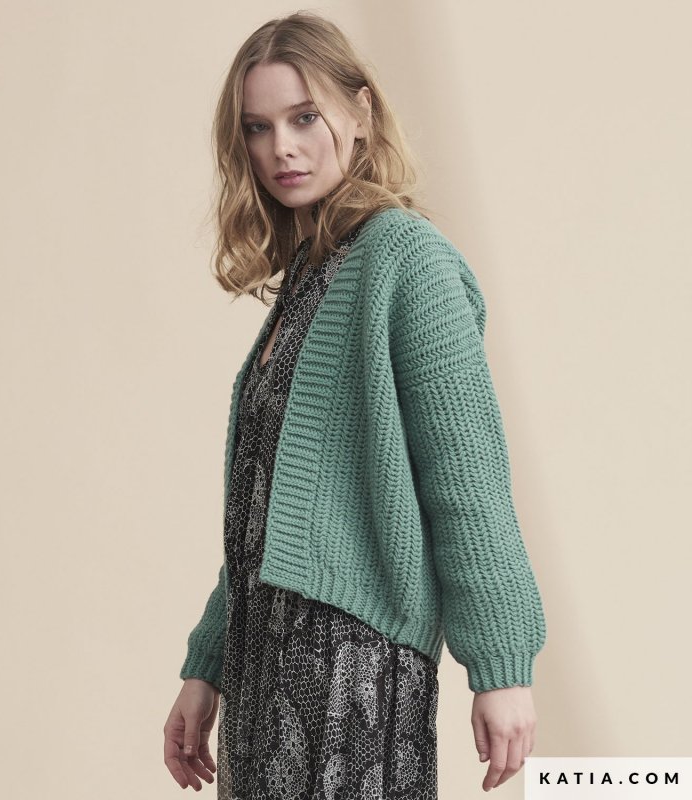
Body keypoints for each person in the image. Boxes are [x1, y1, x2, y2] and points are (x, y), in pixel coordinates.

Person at [163, 11, 547, 798]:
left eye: (305, 117)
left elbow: (468, 477)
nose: (282, 147)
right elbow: (274, 510)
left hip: (350, 674)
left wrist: (502, 666)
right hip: (262, 670)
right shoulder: (313, 273)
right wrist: (207, 664)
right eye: (259, 127)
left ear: (361, 112)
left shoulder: (409, 263)